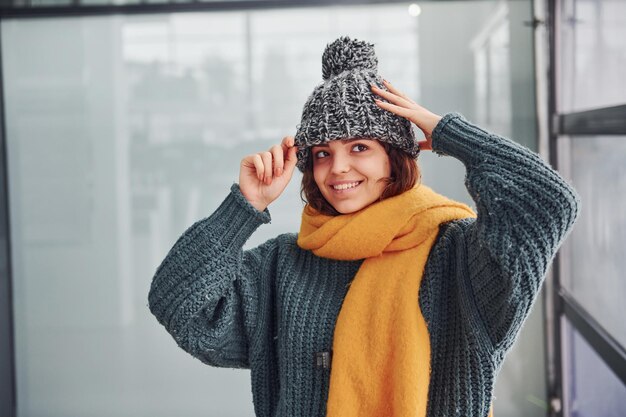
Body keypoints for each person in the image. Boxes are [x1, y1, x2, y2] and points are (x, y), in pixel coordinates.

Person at [148, 36, 581, 417]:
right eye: (321, 153)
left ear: (393, 158)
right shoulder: (282, 264)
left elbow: (547, 202)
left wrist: (450, 134)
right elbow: (182, 308)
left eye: (360, 146)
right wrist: (243, 207)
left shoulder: (458, 257)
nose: (338, 169)